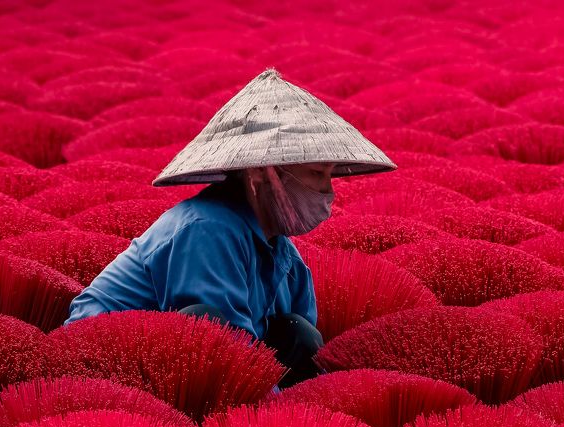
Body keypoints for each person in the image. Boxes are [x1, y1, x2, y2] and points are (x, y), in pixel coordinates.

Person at [64, 69, 396, 388]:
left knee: (299, 333)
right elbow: (228, 346)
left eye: (329, 174)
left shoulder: (285, 256)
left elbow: (300, 349)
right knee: (207, 322)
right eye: (314, 174)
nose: (328, 190)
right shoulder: (207, 229)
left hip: (181, 367)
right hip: (104, 357)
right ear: (261, 175)